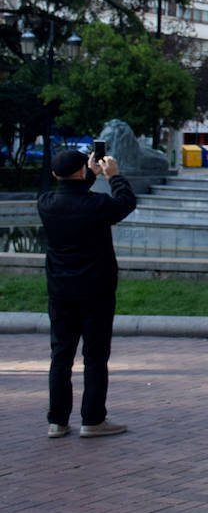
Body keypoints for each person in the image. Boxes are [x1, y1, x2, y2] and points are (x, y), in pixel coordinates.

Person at [40, 148, 137, 438]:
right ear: (83, 171)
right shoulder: (98, 205)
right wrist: (114, 176)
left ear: (55, 174)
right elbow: (126, 203)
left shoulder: (45, 203)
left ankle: (57, 421)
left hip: (60, 291)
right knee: (95, 357)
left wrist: (87, 175)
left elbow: (72, 194)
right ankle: (92, 419)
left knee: (61, 355)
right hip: (97, 290)